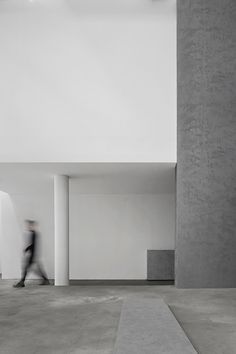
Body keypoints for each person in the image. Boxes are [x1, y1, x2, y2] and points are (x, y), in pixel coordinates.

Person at [14, 220, 50, 288]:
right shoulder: (34, 233)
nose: (27, 226)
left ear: (32, 226)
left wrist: (26, 249)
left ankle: (22, 282)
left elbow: (33, 245)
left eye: (29, 225)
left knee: (26, 268)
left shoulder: (34, 234)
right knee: (36, 269)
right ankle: (46, 280)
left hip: (32, 255)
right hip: (33, 255)